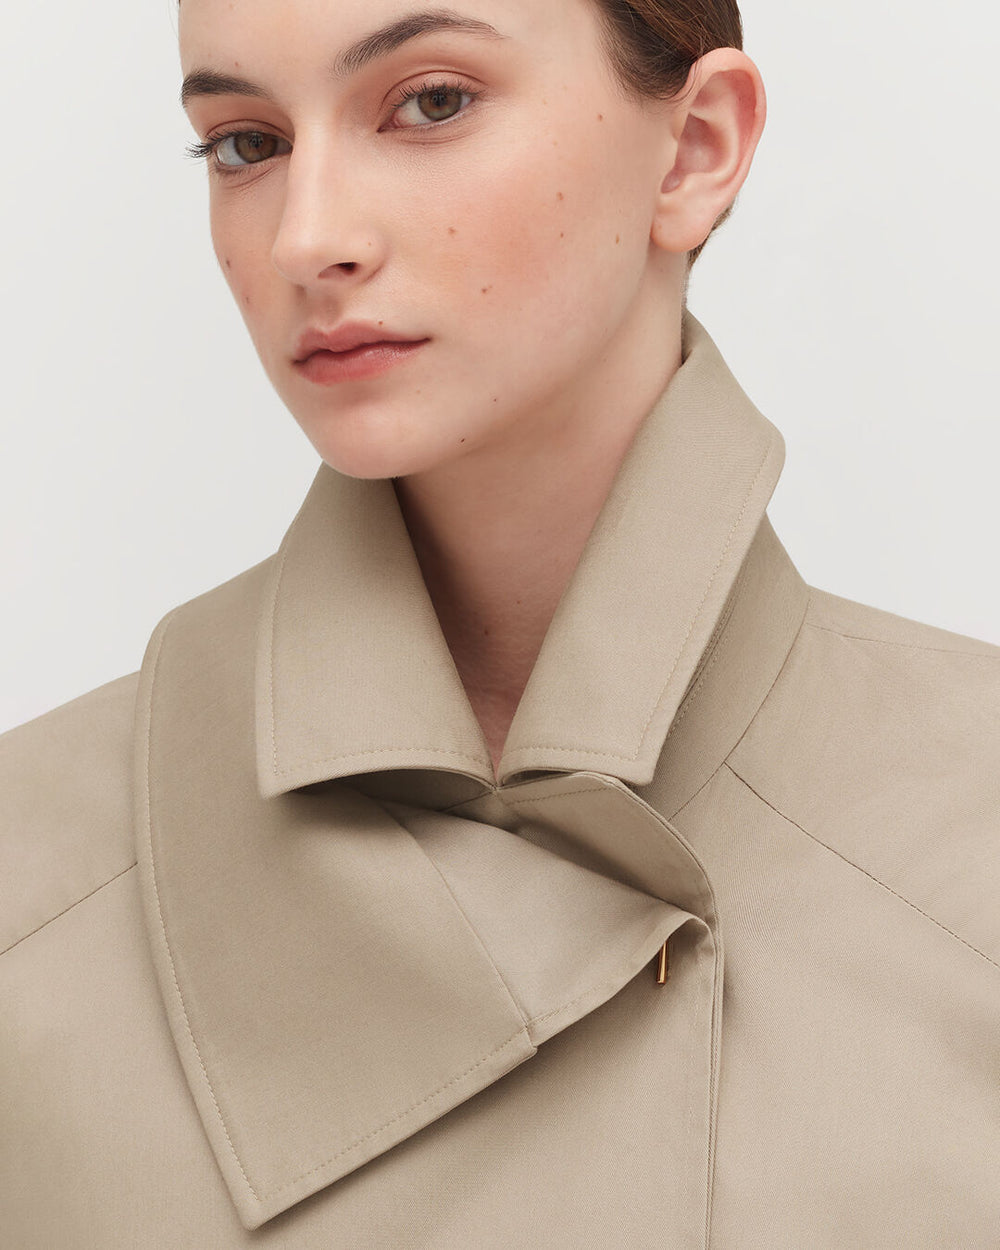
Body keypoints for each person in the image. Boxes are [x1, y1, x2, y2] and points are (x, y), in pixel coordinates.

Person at [2, 0, 997, 1246]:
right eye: (246, 144)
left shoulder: (971, 837)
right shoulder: (29, 896)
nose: (309, 237)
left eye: (430, 103)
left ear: (695, 147)